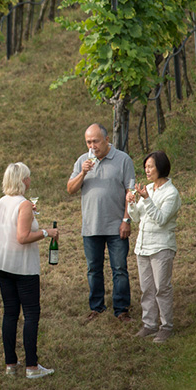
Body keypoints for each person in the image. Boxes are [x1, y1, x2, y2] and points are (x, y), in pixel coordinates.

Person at [0, 162, 59, 379]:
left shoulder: (2, 202)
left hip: (2, 264)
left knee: (10, 313)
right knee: (31, 314)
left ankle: (11, 363)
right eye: (28, 177)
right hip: (22, 267)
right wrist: (48, 232)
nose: (30, 180)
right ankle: (32, 366)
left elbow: (9, 227)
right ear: (22, 181)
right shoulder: (24, 204)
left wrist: (30, 213)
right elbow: (22, 237)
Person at [67, 123, 136, 322]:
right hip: (91, 226)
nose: (92, 146)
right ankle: (97, 307)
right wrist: (83, 173)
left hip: (116, 225)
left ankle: (121, 309)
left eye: (95, 141)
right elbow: (70, 189)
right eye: (88, 142)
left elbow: (129, 193)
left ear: (106, 140)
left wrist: (126, 220)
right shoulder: (82, 161)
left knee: (120, 268)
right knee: (93, 269)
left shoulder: (123, 160)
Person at [127, 150, 181, 344]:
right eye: (146, 166)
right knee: (146, 288)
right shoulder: (148, 188)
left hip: (161, 247)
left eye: (150, 166)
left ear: (161, 167)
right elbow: (136, 218)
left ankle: (166, 326)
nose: (147, 170)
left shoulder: (171, 193)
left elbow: (160, 220)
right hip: (143, 247)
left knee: (162, 288)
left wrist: (146, 199)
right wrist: (131, 204)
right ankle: (149, 324)